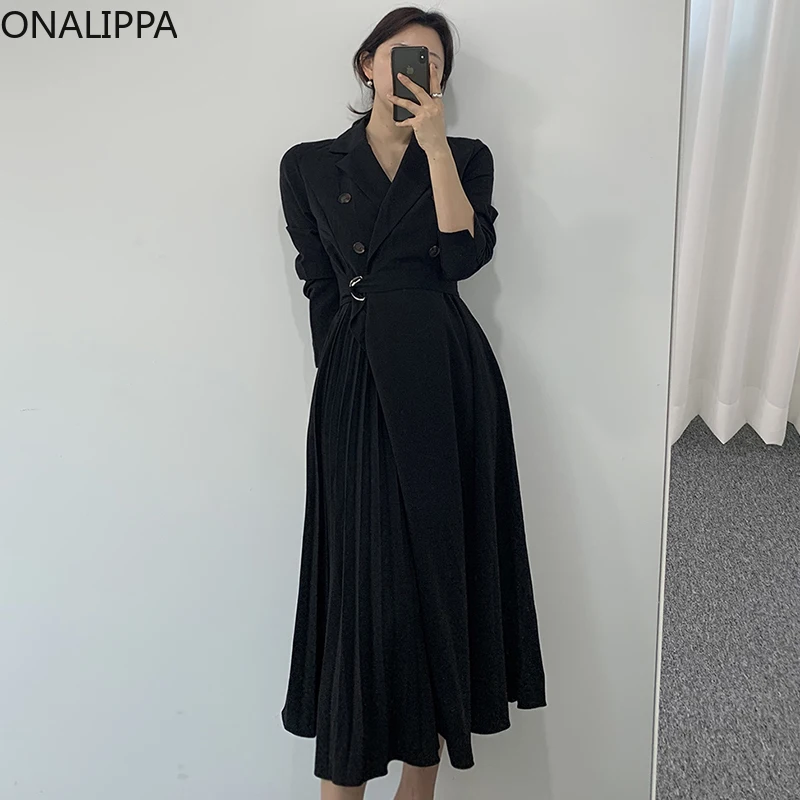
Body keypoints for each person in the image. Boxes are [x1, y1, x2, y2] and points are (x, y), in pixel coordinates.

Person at [278, 7, 546, 799]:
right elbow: (317, 278)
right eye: (403, 56)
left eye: (433, 62)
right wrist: (341, 363)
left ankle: (420, 785)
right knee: (363, 584)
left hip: (444, 374)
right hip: (358, 378)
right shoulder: (308, 164)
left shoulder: (465, 157)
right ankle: (346, 774)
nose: (418, 71)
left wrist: (433, 147)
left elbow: (464, 256)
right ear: (368, 65)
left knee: (438, 568)